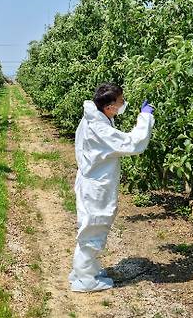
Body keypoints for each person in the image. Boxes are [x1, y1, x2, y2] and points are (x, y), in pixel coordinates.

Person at [68, 83, 155, 292]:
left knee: (91, 227)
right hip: (96, 187)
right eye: (121, 102)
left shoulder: (95, 118)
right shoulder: (99, 128)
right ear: (109, 107)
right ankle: (85, 280)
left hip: (93, 182)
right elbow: (133, 143)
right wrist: (145, 118)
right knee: (94, 228)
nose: (123, 104)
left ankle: (84, 270)